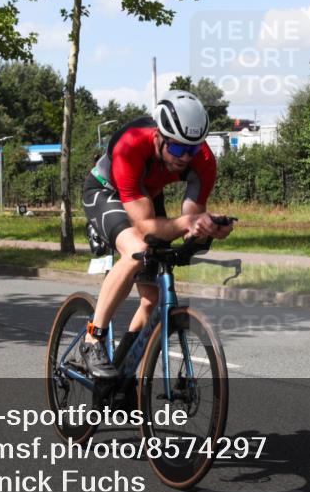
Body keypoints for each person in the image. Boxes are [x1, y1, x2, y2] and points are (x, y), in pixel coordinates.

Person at [78, 90, 234, 378]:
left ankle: (120, 378)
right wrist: (189, 223)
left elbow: (191, 218)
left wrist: (207, 230)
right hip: (105, 191)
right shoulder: (131, 144)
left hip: (146, 195)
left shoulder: (203, 159)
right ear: (159, 137)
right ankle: (92, 340)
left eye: (193, 149)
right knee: (136, 250)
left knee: (152, 299)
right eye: (177, 149)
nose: (185, 157)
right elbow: (145, 226)